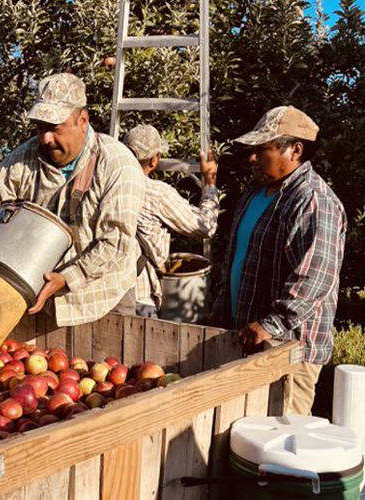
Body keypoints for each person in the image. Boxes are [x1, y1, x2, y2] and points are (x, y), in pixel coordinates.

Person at [0, 73, 145, 326]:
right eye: (40, 128)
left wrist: (66, 278)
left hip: (100, 298)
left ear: (82, 120)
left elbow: (116, 242)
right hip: (34, 294)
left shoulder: (117, 163)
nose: (45, 139)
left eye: (54, 128)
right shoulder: (24, 158)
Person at [211, 106, 346, 416]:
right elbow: (237, 262)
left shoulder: (313, 201)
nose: (253, 158)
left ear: (295, 150)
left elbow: (315, 278)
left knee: (280, 444)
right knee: (242, 441)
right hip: (246, 341)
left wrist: (272, 324)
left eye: (263, 149)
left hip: (287, 352)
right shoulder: (254, 195)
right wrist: (221, 314)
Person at [121, 125, 220, 318]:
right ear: (154, 160)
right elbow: (205, 226)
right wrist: (209, 183)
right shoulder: (156, 193)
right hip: (140, 299)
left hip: (106, 292)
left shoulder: (104, 182)